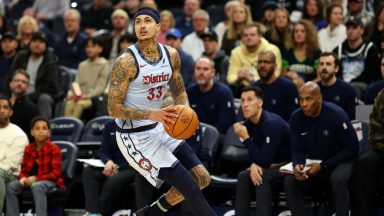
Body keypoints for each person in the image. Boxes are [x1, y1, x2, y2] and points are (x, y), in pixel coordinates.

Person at [107, 7, 216, 216]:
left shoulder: (171, 55)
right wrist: (153, 114)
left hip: (161, 126)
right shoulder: (126, 61)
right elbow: (112, 109)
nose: (142, 25)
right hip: (135, 137)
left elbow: (180, 92)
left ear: (158, 26)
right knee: (190, 187)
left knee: (203, 178)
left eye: (147, 21)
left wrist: (184, 112)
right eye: (138, 22)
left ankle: (148, 213)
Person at [284, 81, 359, 216]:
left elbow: (353, 148)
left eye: (309, 99)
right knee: (290, 180)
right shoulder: (295, 118)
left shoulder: (336, 114)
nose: (303, 104)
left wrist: (324, 165)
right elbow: (297, 149)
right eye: (301, 99)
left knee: (337, 178)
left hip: (341, 161)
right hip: (316, 164)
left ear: (320, 98)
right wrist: (298, 166)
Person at [234, 86, 291, 216]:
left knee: (261, 175)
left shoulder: (272, 123)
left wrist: (246, 138)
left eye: (249, 100)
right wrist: (254, 164)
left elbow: (265, 161)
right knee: (243, 176)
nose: (245, 105)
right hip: (268, 166)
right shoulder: (247, 125)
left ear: (260, 102)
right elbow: (257, 156)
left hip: (287, 166)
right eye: (242, 100)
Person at [6, 116, 64, 216]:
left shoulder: (54, 149)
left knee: (38, 186)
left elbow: (55, 174)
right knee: (11, 186)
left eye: (44, 128)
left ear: (49, 132)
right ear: (32, 132)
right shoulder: (28, 148)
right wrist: (23, 178)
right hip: (31, 181)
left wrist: (36, 179)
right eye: (37, 128)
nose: (41, 131)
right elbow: (24, 169)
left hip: (49, 181)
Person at [82, 119, 135, 216]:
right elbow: (104, 150)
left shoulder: (139, 125)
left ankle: (102, 212)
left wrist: (117, 167)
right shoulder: (110, 125)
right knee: (88, 171)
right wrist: (108, 161)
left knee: (115, 179)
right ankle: (93, 212)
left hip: (131, 167)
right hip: (112, 165)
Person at [10, 31, 60, 119]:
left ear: (46, 45)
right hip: (19, 90)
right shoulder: (21, 56)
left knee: (45, 99)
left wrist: (31, 96)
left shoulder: (50, 60)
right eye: (34, 41)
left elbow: (51, 86)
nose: (37, 44)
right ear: (30, 43)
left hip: (39, 94)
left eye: (41, 42)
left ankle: (42, 126)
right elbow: (11, 76)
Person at [352, 89, 384, 216]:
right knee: (363, 163)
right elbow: (374, 124)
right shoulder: (382, 94)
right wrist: (380, 144)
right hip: (383, 147)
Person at [227, 23, 281, 97]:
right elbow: (230, 77)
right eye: (245, 35)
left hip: (268, 87)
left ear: (260, 36)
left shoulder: (272, 50)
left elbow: (276, 74)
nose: (249, 38)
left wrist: (251, 79)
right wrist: (238, 77)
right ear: (242, 38)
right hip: (243, 89)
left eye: (252, 35)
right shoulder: (236, 52)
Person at [333, 16, 381, 99]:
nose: (350, 31)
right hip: (342, 83)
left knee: (354, 87)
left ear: (362, 30)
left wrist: (350, 83)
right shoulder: (338, 50)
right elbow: (335, 72)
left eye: (354, 28)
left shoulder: (370, 49)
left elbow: (370, 75)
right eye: (348, 28)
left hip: (362, 84)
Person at [187, 57, 237, 135]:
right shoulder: (189, 92)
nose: (201, 72)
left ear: (213, 72)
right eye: (198, 69)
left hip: (217, 138)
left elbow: (224, 127)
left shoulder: (223, 93)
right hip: (193, 135)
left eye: (205, 69)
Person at [64, 36, 109, 118]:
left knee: (80, 104)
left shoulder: (104, 64)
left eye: (93, 46)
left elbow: (100, 87)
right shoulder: (82, 65)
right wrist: (74, 94)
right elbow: (76, 83)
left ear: (100, 49)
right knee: (69, 103)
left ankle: (73, 127)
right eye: (87, 46)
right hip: (80, 96)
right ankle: (64, 127)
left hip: (92, 97)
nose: (89, 49)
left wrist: (86, 96)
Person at [0, 95, 29, 214]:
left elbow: (11, 165)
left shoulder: (18, 134)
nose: (1, 110)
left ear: (10, 112)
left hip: (10, 175)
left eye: (5, 107)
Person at [252, 50, 298, 121]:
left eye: (266, 62)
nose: (262, 65)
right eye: (259, 62)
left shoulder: (289, 87)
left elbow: (294, 117)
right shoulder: (252, 88)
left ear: (275, 66)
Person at [317, 52, 357, 120]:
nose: (324, 67)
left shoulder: (348, 90)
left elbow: (353, 120)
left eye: (328, 64)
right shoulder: (313, 90)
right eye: (321, 64)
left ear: (336, 68)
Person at [8, 70, 40, 141]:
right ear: (10, 84)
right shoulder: (2, 104)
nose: (19, 83)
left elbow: (34, 135)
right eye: (16, 80)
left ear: (28, 87)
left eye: (23, 82)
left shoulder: (32, 109)